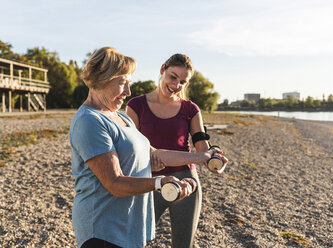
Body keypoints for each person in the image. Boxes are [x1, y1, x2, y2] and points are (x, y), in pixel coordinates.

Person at [69, 47, 224, 248]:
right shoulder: (89, 121)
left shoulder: (120, 117)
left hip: (127, 227)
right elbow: (114, 182)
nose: (128, 91)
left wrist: (204, 156)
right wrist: (160, 182)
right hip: (103, 230)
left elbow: (155, 154)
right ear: (102, 79)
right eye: (123, 83)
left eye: (129, 84)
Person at [126, 53, 228, 248]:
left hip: (186, 181)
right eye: (173, 77)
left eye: (183, 81)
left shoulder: (191, 109)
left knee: (183, 244)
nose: (176, 85)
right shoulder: (136, 105)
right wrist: (147, 158)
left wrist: (215, 161)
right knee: (134, 241)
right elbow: (130, 147)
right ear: (162, 69)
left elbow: (202, 148)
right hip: (148, 180)